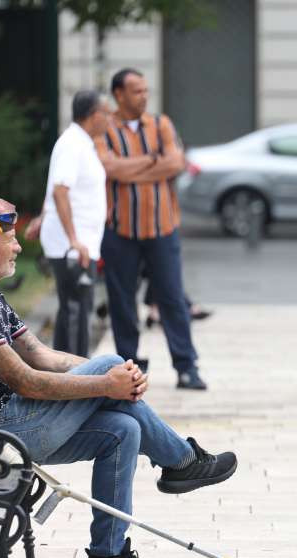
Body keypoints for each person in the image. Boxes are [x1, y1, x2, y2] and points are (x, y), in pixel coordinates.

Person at [0, 198, 238, 558]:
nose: (18, 247)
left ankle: (107, 557)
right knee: (110, 365)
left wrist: (117, 378)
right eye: (11, 239)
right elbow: (26, 381)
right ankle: (182, 461)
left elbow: (39, 354)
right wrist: (106, 381)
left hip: (10, 425)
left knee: (124, 430)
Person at [96, 67, 206, 390]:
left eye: (145, 90)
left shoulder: (161, 124)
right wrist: (152, 162)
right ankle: (127, 369)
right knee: (122, 302)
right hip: (120, 229)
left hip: (162, 228)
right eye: (137, 91)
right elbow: (109, 168)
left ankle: (187, 367)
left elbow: (176, 163)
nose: (144, 96)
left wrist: (131, 169)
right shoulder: (105, 128)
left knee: (172, 298)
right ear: (119, 94)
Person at [25, 91, 111, 357]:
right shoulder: (73, 144)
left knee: (75, 308)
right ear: (94, 116)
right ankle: (77, 372)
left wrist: (43, 216)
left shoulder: (81, 143)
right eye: (107, 114)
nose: (110, 119)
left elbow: (57, 187)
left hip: (78, 242)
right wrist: (74, 239)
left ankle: (69, 371)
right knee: (76, 309)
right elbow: (60, 190)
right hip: (72, 245)